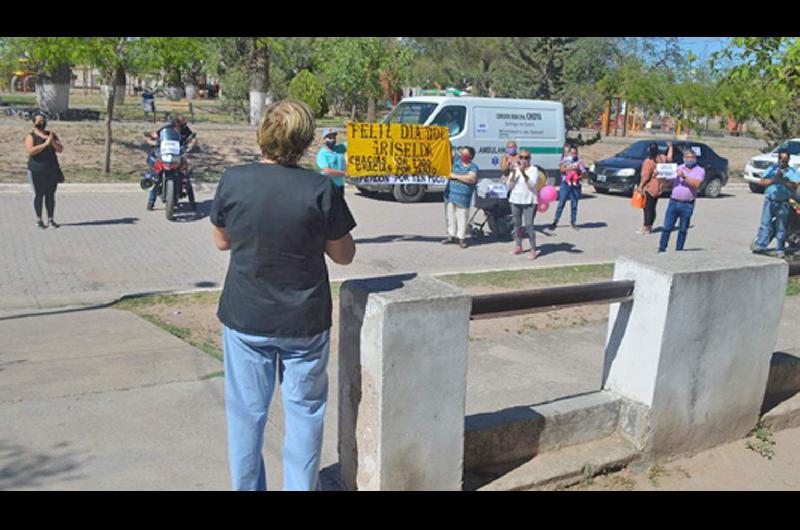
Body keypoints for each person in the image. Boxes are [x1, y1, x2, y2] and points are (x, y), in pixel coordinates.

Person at [209, 100, 357, 491]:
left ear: (263, 135)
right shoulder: (320, 188)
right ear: (306, 141)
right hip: (304, 322)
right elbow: (344, 255)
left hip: (246, 318)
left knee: (245, 416)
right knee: (305, 414)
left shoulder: (234, 180)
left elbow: (221, 241)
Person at [145, 115, 197, 211]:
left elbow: (192, 139)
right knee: (156, 175)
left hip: (178, 154)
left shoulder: (186, 130)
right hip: (165, 153)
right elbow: (154, 136)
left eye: (180, 124)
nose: (178, 125)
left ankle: (192, 203)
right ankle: (151, 202)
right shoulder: (165, 129)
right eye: (176, 123)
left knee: (186, 175)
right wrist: (150, 139)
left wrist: (191, 144)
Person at [752, 150, 799, 257]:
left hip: (783, 203)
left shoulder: (792, 171)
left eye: (785, 159)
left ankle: (780, 249)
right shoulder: (772, 169)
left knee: (781, 227)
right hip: (770, 200)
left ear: (788, 160)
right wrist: (774, 179)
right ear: (778, 159)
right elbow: (762, 181)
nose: (783, 161)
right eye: (781, 159)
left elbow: (795, 185)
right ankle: (761, 245)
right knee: (765, 224)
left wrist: (784, 180)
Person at [658, 148, 704, 252]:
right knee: (667, 227)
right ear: (684, 158)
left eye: (692, 158)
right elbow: (668, 182)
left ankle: (679, 250)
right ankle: (662, 249)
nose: (690, 160)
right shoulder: (678, 168)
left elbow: (696, 184)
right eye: (688, 158)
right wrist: (662, 176)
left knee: (683, 229)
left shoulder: (700, 170)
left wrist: (684, 176)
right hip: (674, 202)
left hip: (687, 204)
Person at [24, 112, 64, 229]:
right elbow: (31, 151)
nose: (41, 123)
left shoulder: (51, 134)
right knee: (39, 195)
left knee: (50, 195)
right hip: (36, 170)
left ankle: (51, 219)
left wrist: (51, 141)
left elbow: (60, 149)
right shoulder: (31, 136)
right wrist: (45, 144)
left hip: (51, 170)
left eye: (43, 121)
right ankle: (39, 219)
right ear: (34, 122)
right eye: (39, 121)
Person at [507, 149, 543, 259]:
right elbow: (509, 186)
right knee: (517, 225)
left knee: (529, 225)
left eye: (526, 157)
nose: (523, 160)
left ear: (530, 159)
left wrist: (522, 171)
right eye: (521, 157)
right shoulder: (515, 169)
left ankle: (533, 249)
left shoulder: (534, 169)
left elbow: (531, 184)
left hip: (529, 201)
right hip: (515, 200)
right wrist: (513, 173)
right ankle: (519, 246)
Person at [442, 146, 478, 249]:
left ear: (471, 156)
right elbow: (449, 151)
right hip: (451, 194)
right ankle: (451, 235)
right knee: (450, 215)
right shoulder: (457, 161)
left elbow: (471, 179)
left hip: (463, 197)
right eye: (462, 153)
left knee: (462, 216)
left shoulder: (473, 167)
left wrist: (455, 176)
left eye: (466, 154)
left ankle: (461, 238)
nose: (463, 155)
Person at [637, 141, 673, 235]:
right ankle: (650, 226)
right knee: (653, 208)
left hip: (649, 187)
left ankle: (646, 227)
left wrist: (640, 186)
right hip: (659, 187)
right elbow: (669, 159)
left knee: (647, 208)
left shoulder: (648, 161)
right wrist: (671, 147)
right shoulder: (661, 158)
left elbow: (645, 176)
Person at [549, 146, 587, 231]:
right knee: (561, 203)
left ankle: (573, 222)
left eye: (575, 153)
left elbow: (584, 173)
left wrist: (579, 175)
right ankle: (555, 221)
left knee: (574, 204)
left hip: (575, 185)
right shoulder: (565, 160)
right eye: (572, 153)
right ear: (569, 153)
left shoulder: (579, 162)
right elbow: (562, 170)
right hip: (565, 184)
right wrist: (573, 168)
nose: (573, 154)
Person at [316, 128, 347, 192]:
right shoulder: (322, 154)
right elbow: (327, 171)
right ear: (324, 140)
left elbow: (353, 142)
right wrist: (344, 173)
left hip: (340, 186)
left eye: (334, 137)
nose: (332, 140)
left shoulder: (340, 149)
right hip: (328, 187)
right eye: (329, 138)